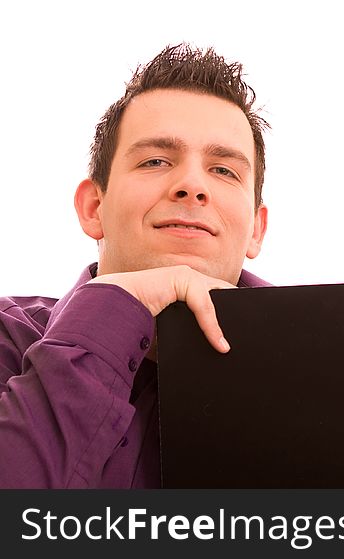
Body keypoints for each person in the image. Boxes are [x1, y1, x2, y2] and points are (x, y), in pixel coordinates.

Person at [0, 44, 270, 488]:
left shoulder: (338, 373)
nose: (191, 185)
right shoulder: (9, 341)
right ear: (94, 207)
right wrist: (123, 304)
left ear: (256, 229)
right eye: (156, 161)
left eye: (223, 170)